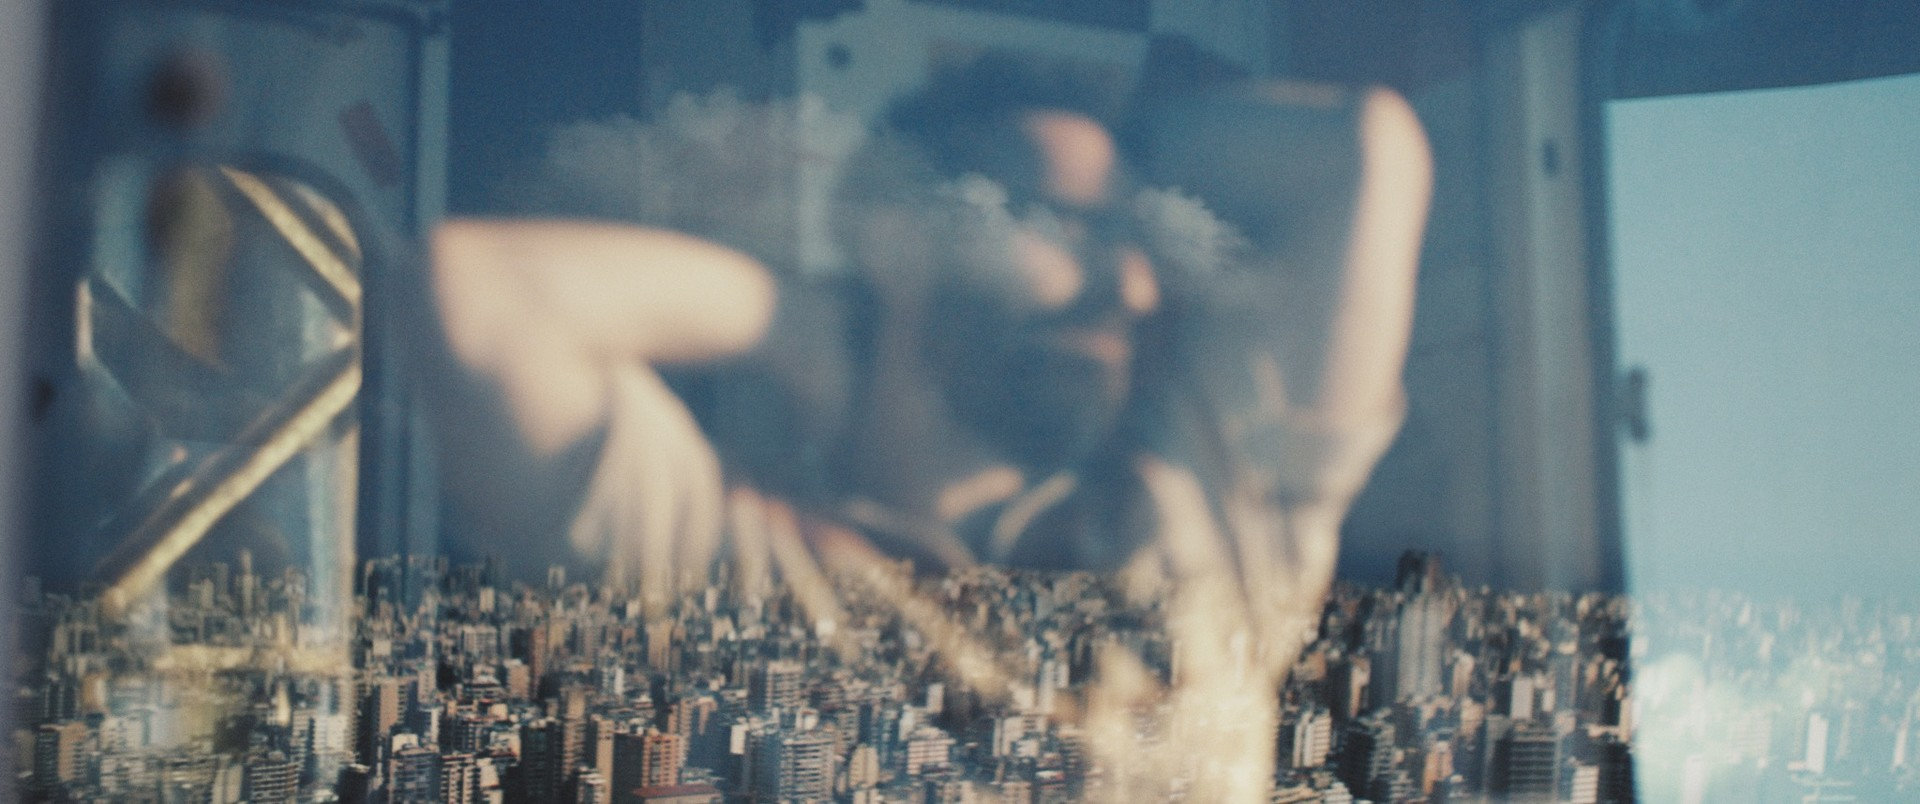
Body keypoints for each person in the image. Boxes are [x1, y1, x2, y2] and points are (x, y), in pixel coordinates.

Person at [425, 53, 1429, 800]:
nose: (1130, 286)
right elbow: (480, 295)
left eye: (1132, 240)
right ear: (899, 241)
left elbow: (1365, 150)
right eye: (1067, 224)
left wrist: (1118, 134)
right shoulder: (736, 567)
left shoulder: (1220, 515)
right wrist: (806, 321)